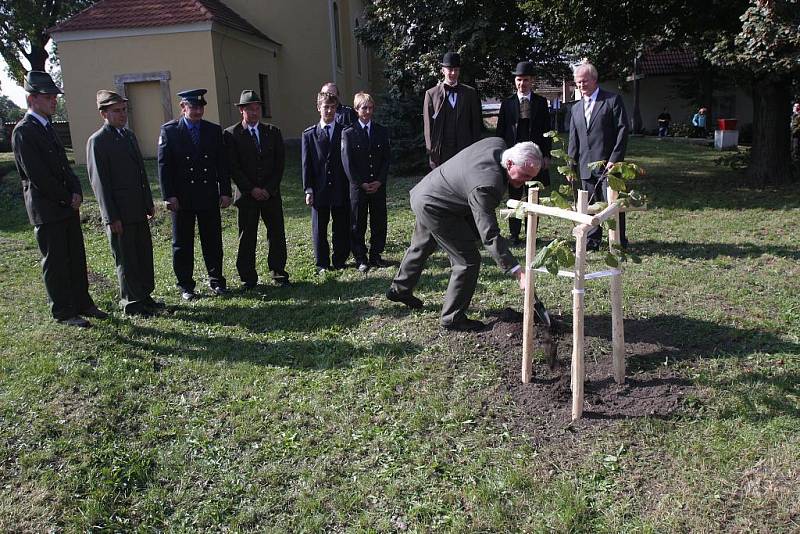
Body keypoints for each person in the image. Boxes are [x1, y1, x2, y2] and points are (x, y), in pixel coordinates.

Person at [386, 137, 540, 331]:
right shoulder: (487, 185)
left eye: (531, 177)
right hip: (437, 207)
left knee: (422, 244)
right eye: (525, 175)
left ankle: (400, 289)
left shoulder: (497, 144)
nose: (527, 182)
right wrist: (518, 271)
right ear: (509, 163)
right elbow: (489, 234)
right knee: (467, 260)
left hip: (429, 191)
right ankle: (452, 318)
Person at [12, 71, 108, 327]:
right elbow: (38, 176)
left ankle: (83, 303)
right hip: (47, 208)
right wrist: (67, 198)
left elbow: (64, 166)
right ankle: (63, 311)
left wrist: (76, 190)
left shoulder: (47, 127)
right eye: (48, 96)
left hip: (66, 206)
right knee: (55, 262)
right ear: (32, 99)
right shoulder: (24, 132)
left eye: (55, 95)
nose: (54, 100)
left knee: (75, 257)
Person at [87, 90, 163, 316]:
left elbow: (140, 173)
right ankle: (131, 303)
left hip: (137, 209)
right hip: (119, 212)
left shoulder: (128, 136)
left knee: (142, 255)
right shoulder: (98, 141)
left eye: (123, 110)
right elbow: (99, 183)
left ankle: (145, 296)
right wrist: (112, 217)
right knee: (126, 258)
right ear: (104, 113)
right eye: (116, 111)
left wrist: (148, 202)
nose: (122, 115)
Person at [158, 88, 232, 300]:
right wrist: (168, 195)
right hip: (182, 198)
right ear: (183, 108)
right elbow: (164, 166)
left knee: (213, 240)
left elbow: (221, 164)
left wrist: (225, 191)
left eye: (201, 107)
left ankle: (217, 281)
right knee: (182, 243)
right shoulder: (170, 131)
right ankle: (186, 286)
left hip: (208, 194)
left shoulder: (213, 130)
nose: (198, 111)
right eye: (193, 107)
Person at [223, 89, 289, 288]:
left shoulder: (273, 132)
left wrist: (268, 189)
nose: (254, 113)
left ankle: (279, 273)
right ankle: (248, 278)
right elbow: (233, 166)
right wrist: (251, 189)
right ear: (241, 111)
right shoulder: (231, 134)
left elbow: (280, 164)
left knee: (276, 233)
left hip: (271, 194)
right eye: (249, 109)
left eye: (257, 108)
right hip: (247, 195)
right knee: (247, 237)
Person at [568, 62, 630, 251]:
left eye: (584, 81)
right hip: (586, 165)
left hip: (608, 164)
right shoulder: (576, 108)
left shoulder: (612, 100)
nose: (581, 85)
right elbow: (573, 138)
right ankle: (593, 240)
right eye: (578, 82)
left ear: (594, 80)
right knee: (590, 205)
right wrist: (571, 166)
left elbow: (623, 130)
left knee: (612, 204)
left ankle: (618, 240)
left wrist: (615, 158)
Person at [495, 61, 552, 245]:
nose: (522, 84)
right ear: (515, 81)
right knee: (515, 196)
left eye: (526, 80)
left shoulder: (541, 103)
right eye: (519, 80)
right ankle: (514, 234)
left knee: (533, 196)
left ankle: (531, 234)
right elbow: (500, 131)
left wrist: (546, 155)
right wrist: (502, 156)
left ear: (532, 81)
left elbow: (546, 130)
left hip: (535, 158)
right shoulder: (507, 104)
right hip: (515, 159)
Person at [341, 92, 391, 273]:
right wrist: (360, 183)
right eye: (364, 108)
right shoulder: (348, 133)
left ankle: (376, 255)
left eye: (370, 108)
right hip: (358, 188)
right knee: (358, 223)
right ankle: (360, 257)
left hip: (377, 186)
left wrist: (379, 181)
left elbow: (386, 159)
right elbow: (348, 163)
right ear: (356, 110)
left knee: (379, 221)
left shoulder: (381, 131)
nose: (367, 111)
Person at [302, 91, 350, 273]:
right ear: (318, 108)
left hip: (340, 186)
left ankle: (339, 260)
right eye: (325, 107)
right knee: (319, 228)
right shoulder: (309, 134)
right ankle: (322, 262)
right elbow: (306, 164)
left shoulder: (344, 131)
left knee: (340, 225)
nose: (329, 111)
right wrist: (308, 189)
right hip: (319, 188)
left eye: (332, 107)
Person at [423, 51, 482, 169]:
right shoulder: (431, 94)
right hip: (442, 151)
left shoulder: (470, 93)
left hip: (464, 149)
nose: (453, 73)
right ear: (443, 70)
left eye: (456, 69)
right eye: (450, 70)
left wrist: (475, 149)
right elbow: (428, 126)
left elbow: (475, 124)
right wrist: (432, 153)